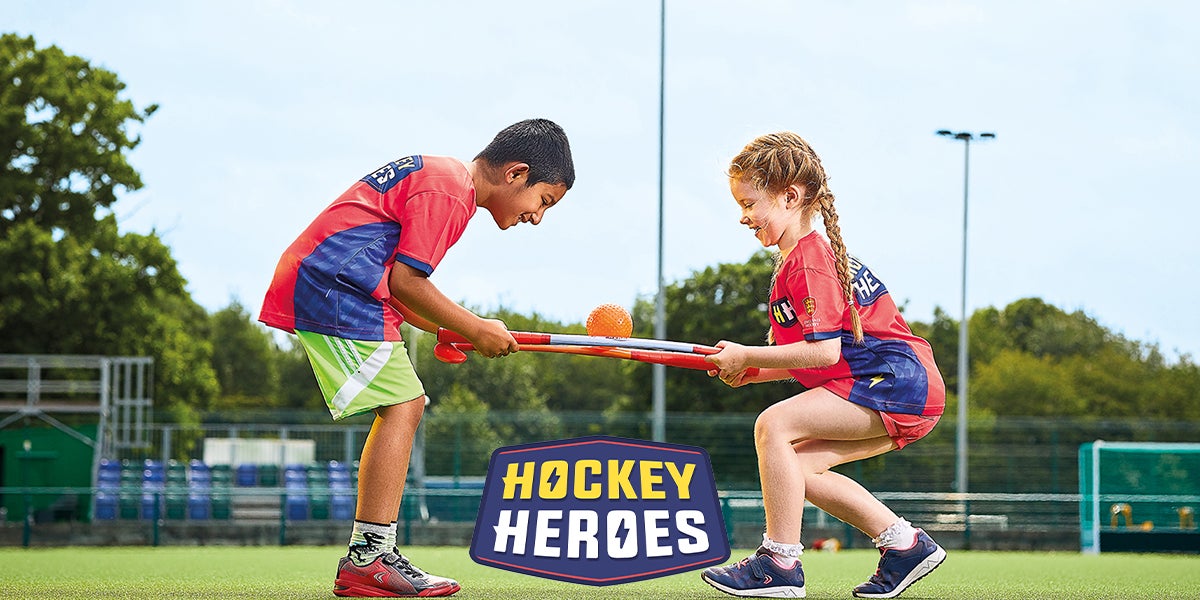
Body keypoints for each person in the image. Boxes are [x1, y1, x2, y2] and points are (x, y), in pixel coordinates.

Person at [258, 119, 574, 597]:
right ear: (516, 173)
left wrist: (449, 330)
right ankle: (369, 557)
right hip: (334, 286)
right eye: (543, 201)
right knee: (405, 405)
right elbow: (408, 283)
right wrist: (477, 328)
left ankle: (371, 555)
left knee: (405, 404)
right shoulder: (450, 193)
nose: (537, 216)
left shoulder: (447, 181)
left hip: (348, 287)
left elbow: (398, 286)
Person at [701, 132, 946, 599]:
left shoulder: (810, 261)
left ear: (790, 195)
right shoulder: (802, 259)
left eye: (750, 202)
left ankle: (780, 562)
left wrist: (748, 354)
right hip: (897, 383)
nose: (743, 215)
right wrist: (753, 370)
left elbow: (824, 354)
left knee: (773, 425)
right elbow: (820, 357)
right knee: (794, 470)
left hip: (895, 381)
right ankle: (905, 545)